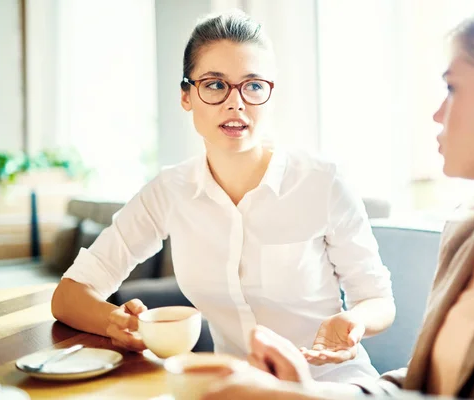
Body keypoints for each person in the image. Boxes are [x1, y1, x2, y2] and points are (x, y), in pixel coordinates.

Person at [201, 1, 474, 399]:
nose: (438, 114)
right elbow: (426, 382)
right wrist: (309, 391)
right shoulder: (471, 229)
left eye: (452, 88)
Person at [50, 10, 396, 383]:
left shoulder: (322, 181)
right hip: (236, 387)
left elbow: (379, 301)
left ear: (270, 94)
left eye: (254, 85)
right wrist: (117, 322)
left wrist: (355, 320)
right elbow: (69, 296)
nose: (236, 103)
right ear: (186, 95)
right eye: (215, 85)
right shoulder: (169, 190)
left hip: (331, 384)